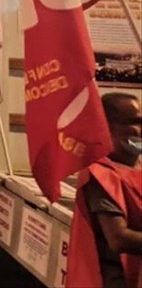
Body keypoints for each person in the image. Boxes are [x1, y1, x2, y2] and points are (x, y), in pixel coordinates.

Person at [67, 92, 142, 288]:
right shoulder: (101, 174)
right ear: (106, 126)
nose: (139, 130)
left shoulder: (135, 168)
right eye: (133, 122)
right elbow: (118, 238)